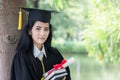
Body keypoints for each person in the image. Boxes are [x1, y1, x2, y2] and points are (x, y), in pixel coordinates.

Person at [10, 8, 71, 80]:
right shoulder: (22, 57)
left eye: (46, 29)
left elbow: (67, 76)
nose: (42, 33)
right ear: (30, 31)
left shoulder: (55, 54)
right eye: (38, 28)